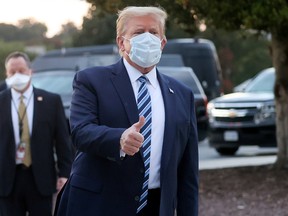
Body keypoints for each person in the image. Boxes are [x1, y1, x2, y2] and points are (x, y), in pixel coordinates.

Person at [56, 6, 198, 216]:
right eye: (139, 32)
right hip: (98, 205)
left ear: (163, 42)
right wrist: (119, 139)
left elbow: (188, 170)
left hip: (156, 206)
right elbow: (80, 132)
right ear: (122, 43)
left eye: (154, 32)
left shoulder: (182, 94)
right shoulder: (91, 80)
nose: (147, 38)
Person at [0, 51, 73, 216]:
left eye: (21, 71)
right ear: (7, 74)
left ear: (30, 71)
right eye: (12, 72)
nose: (17, 76)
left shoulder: (51, 101)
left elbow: (62, 140)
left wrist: (64, 173)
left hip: (41, 178)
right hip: (7, 180)